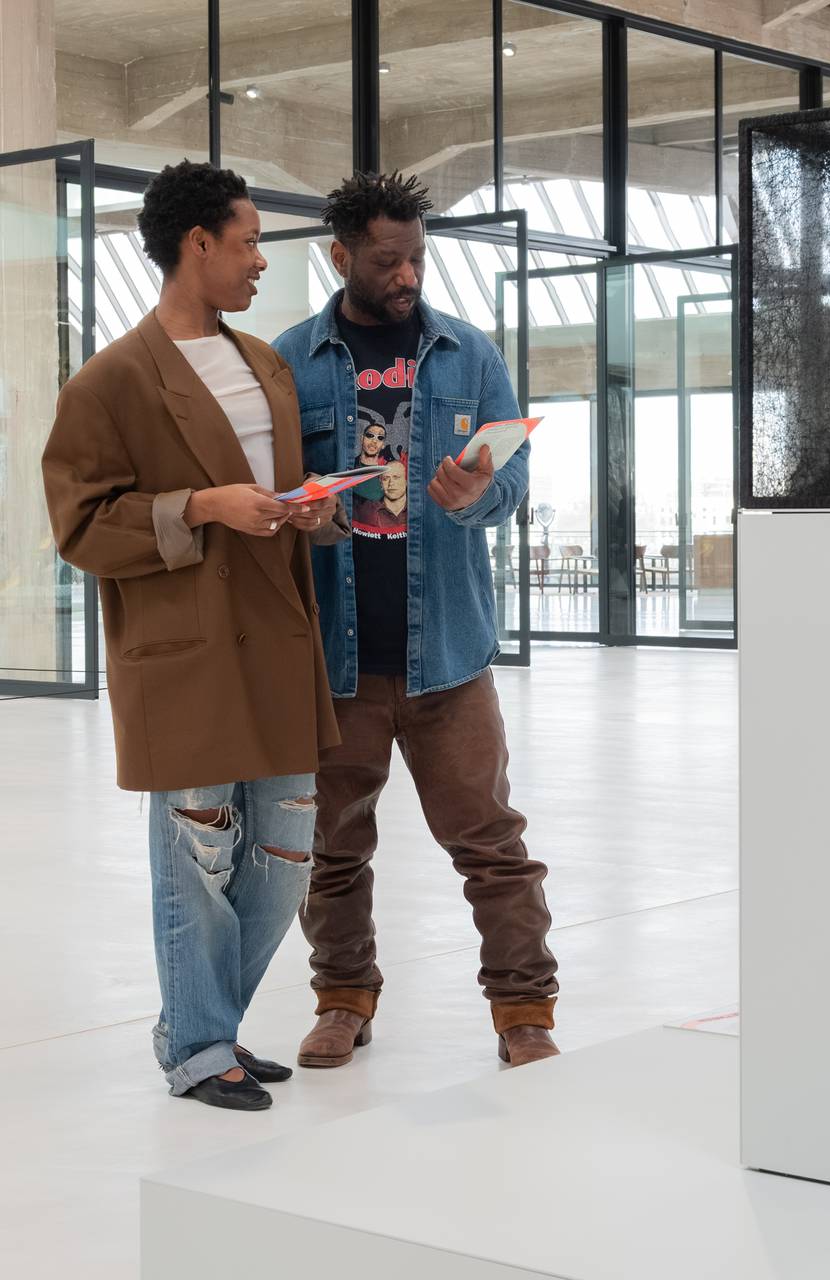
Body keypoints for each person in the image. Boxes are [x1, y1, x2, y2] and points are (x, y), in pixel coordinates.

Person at [42, 161, 342, 1111]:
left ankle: (195, 1028)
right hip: (187, 649)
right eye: (248, 242)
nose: (260, 260)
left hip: (277, 636)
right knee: (197, 856)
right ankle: (203, 1044)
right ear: (197, 244)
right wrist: (204, 506)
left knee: (286, 855)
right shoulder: (109, 382)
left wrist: (311, 511)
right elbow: (81, 528)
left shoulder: (267, 365)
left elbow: (283, 489)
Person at [274, 171, 559, 1070]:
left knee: (493, 846)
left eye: (417, 260)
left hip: (450, 658)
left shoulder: (469, 354)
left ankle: (524, 1010)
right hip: (339, 661)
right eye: (387, 261)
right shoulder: (290, 361)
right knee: (331, 850)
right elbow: (277, 491)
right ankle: (343, 999)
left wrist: (479, 496)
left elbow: (512, 480)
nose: (406, 276)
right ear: (341, 256)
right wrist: (307, 514)